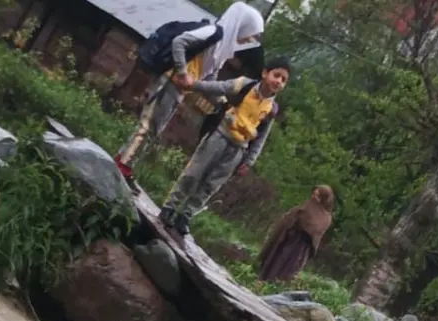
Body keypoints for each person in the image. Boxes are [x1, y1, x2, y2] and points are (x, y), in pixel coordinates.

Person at [114, 2, 265, 179]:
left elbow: (209, 79)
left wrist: (223, 103)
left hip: (179, 89)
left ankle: (125, 160)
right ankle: (123, 163)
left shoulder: (223, 48)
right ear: (242, 26)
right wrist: (183, 72)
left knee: (155, 128)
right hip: (170, 81)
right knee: (150, 124)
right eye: (251, 34)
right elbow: (179, 42)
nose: (249, 39)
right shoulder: (213, 33)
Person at [159, 57, 291, 237]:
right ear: (265, 73)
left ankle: (185, 215)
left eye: (284, 80)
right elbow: (218, 87)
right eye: (277, 75)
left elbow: (260, 139)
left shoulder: (271, 109)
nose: (279, 82)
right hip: (219, 136)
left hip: (237, 150)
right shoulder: (245, 85)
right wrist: (192, 85)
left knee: (211, 185)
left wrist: (249, 160)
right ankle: (170, 207)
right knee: (194, 173)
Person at [256, 185, 335, 283]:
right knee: (275, 260)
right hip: (288, 238)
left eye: (317, 196)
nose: (313, 197)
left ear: (323, 199)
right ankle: (262, 279)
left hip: (300, 246)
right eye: (313, 194)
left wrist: (302, 222)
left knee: (287, 269)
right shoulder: (307, 205)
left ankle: (276, 285)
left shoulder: (326, 217)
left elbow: (316, 228)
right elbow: (292, 217)